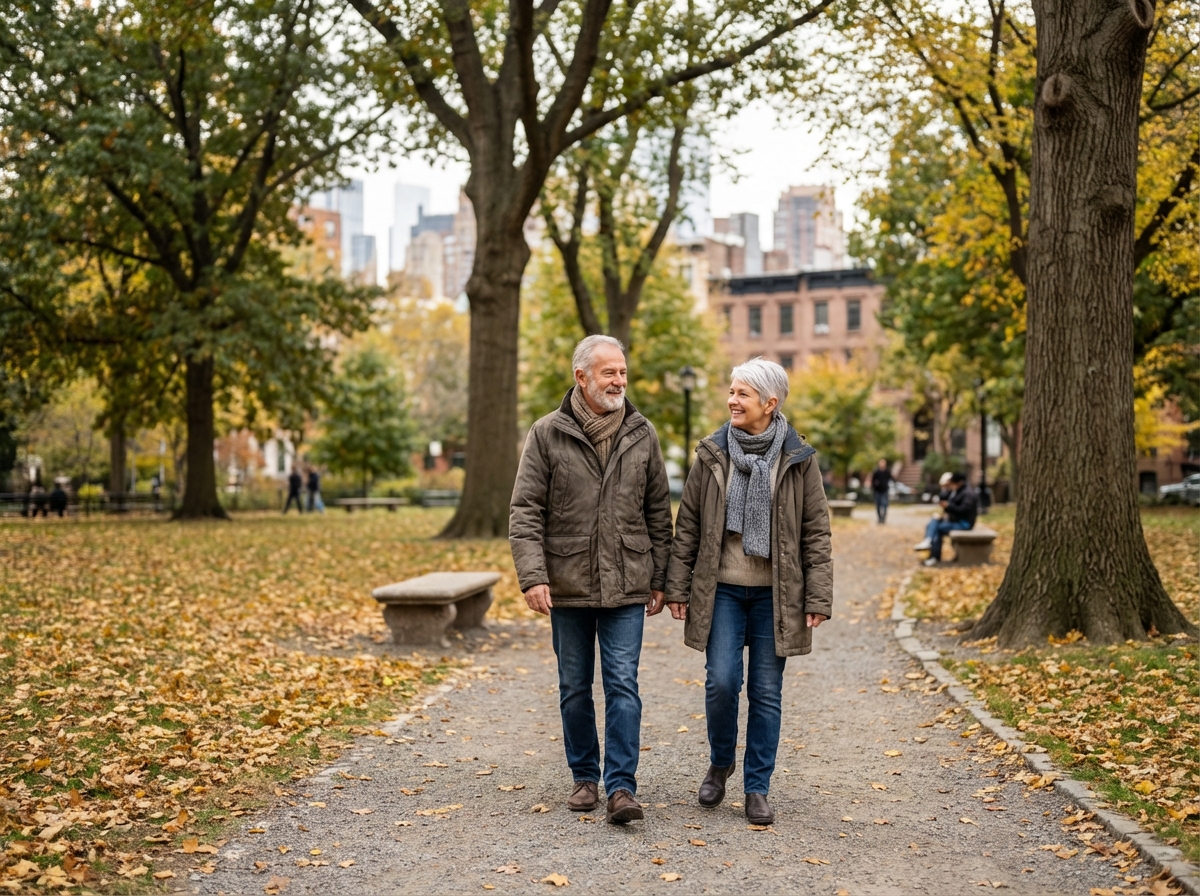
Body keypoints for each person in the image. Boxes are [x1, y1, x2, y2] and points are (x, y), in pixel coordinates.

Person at [509, 335, 673, 826]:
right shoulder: (546, 434)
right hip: (568, 581)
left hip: (627, 580)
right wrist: (533, 576)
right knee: (575, 686)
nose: (619, 381)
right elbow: (525, 511)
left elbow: (658, 511)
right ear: (581, 377)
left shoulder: (642, 432)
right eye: (609, 373)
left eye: (622, 372)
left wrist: (661, 577)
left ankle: (622, 788)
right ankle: (585, 777)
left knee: (623, 683)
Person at [665, 358, 833, 827]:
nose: (731, 401)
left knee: (765, 691)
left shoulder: (798, 458)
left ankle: (757, 786)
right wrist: (678, 586)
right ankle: (721, 762)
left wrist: (817, 597)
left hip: (774, 595)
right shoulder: (712, 453)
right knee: (721, 682)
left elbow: (816, 531)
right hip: (721, 589)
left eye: (742, 394)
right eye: (731, 392)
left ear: (770, 403)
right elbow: (690, 526)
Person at [914, 471, 977, 565]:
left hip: (964, 523)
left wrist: (948, 507)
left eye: (952, 483)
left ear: (959, 482)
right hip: (955, 520)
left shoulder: (968, 493)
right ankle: (928, 541)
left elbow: (963, 511)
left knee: (938, 529)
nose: (951, 485)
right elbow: (943, 496)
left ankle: (934, 555)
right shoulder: (957, 490)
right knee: (934, 520)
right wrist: (945, 487)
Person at [870, 458, 893, 524]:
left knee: (885, 505)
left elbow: (891, 479)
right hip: (877, 491)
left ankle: (883, 518)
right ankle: (879, 518)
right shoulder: (876, 472)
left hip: (885, 490)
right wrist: (874, 487)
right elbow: (873, 481)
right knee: (878, 505)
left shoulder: (887, 472)